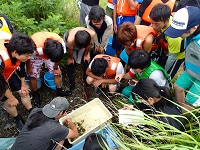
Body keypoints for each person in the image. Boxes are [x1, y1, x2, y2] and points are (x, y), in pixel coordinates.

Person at [164, 6, 200, 110]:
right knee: (177, 87)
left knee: (190, 100)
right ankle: (180, 108)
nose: (178, 35)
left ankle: (184, 119)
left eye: (180, 32)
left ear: (194, 28)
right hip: (192, 68)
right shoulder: (192, 34)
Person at [11, 97, 79, 150]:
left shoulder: (35, 111)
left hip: (16, 147)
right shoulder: (56, 128)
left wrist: (59, 115)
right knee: (61, 139)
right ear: (61, 113)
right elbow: (76, 134)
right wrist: (70, 123)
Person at [0, 32, 36, 131]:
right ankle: (17, 118)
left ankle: (31, 111)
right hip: (0, 77)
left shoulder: (18, 48)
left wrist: (23, 84)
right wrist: (11, 98)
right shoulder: (1, 59)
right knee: (8, 101)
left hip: (8, 71)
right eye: (27, 56)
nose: (29, 58)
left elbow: (21, 67)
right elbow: (1, 84)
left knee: (24, 91)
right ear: (15, 53)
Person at [27, 32, 71, 107]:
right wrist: (29, 67)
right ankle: (35, 93)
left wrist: (56, 67)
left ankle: (59, 91)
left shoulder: (60, 44)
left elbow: (59, 57)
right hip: (35, 55)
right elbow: (27, 56)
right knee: (33, 75)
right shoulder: (33, 46)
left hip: (50, 52)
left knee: (57, 73)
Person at [149, 3, 185, 78]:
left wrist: (164, 71)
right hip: (166, 47)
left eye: (156, 24)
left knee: (166, 75)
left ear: (167, 21)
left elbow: (172, 57)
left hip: (176, 56)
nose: (153, 26)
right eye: (151, 23)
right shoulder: (162, 21)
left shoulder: (174, 36)